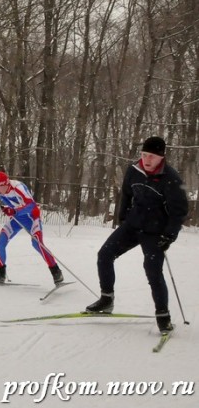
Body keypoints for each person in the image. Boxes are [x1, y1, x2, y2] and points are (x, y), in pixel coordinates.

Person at [85, 136, 188, 333]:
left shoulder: (171, 178)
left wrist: (169, 235)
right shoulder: (134, 170)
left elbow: (179, 211)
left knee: (153, 271)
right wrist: (123, 217)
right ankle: (107, 299)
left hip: (156, 232)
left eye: (151, 156)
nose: (147, 160)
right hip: (133, 225)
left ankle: (163, 316)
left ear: (161, 157)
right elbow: (126, 194)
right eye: (144, 155)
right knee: (104, 255)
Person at [0, 171, 64, 285]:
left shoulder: (18, 187)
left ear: (5, 184)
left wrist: (14, 210)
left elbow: (31, 205)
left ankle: (56, 272)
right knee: (1, 242)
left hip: (31, 218)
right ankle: (0, 274)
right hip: (16, 219)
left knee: (37, 244)